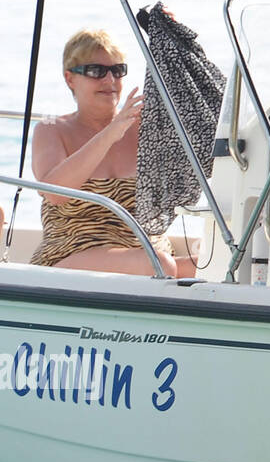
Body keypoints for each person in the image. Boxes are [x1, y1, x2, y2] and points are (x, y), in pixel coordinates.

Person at [29, 30, 196, 277]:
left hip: (150, 255)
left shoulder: (144, 128)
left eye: (117, 71)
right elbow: (54, 193)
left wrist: (174, 39)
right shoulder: (52, 128)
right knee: (158, 266)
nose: (109, 81)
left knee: (216, 264)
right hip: (72, 253)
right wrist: (110, 133)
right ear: (70, 78)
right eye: (96, 71)